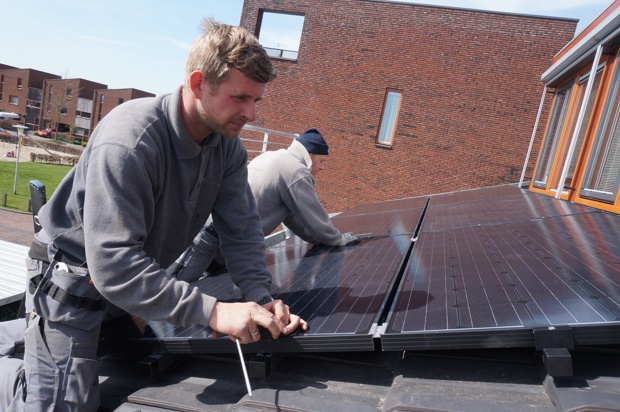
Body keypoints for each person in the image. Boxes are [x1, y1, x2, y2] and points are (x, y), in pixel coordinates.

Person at [0, 18, 307, 411]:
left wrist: (260, 296)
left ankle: (31, 337)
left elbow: (242, 229)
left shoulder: (225, 147)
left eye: (256, 100)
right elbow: (113, 265)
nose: (250, 113)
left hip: (130, 282)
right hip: (75, 279)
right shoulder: (130, 141)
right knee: (62, 405)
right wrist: (214, 312)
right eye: (240, 98)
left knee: (114, 353)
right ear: (199, 84)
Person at [169, 128, 359, 283]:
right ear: (309, 154)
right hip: (212, 239)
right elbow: (315, 217)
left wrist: (317, 240)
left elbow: (293, 218)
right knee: (173, 288)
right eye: (321, 160)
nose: (322, 167)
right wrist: (337, 239)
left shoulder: (273, 157)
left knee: (207, 287)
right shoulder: (295, 171)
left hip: (226, 243)